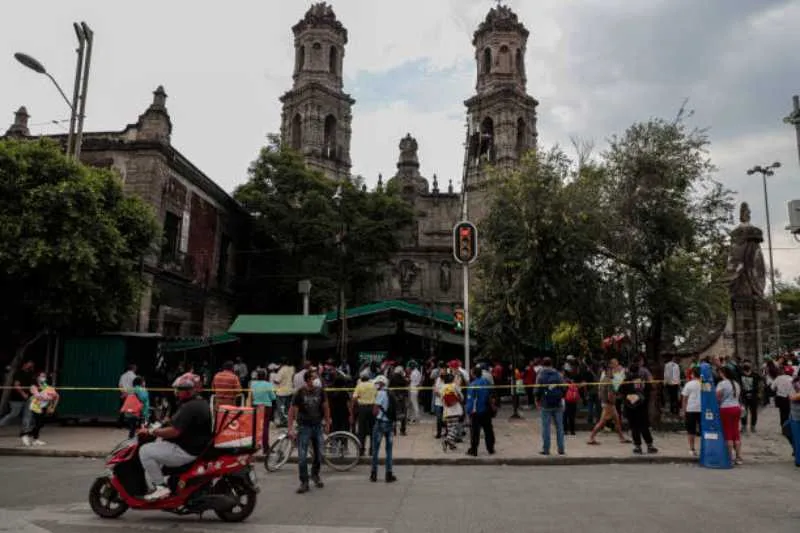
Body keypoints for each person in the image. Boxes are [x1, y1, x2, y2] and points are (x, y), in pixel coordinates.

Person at [138, 378, 212, 500]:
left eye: (179, 390)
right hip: (193, 446)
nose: (176, 392)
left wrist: (152, 431)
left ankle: (161, 487)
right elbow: (176, 422)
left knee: (145, 451)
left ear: (188, 391)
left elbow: (174, 432)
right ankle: (166, 482)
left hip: (185, 450)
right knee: (157, 448)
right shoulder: (198, 403)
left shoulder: (189, 407)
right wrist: (163, 424)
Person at [288, 369, 331, 494]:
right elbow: (292, 410)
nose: (316, 380)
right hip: (303, 427)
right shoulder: (299, 393)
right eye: (313, 377)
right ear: (307, 380)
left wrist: (327, 423)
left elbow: (326, 407)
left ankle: (315, 475)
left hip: (317, 426)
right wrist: (290, 428)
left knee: (319, 454)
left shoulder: (321, 391)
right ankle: (304, 482)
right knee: (302, 456)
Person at [620, 363, 658, 455]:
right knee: (644, 426)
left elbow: (621, 392)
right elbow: (650, 389)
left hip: (631, 407)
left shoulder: (626, 380)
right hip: (642, 407)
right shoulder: (642, 381)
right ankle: (649, 445)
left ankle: (638, 447)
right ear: (638, 371)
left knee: (634, 428)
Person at [535, 357, 565, 456]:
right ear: (552, 364)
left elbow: (537, 390)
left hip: (545, 404)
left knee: (546, 428)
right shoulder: (558, 374)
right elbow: (564, 388)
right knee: (559, 427)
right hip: (558, 403)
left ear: (543, 364)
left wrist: (537, 400)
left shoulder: (541, 375)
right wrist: (560, 396)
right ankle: (561, 449)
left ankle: (546, 449)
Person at [370, 376, 397, 483]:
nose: (376, 385)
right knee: (389, 450)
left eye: (377, 383)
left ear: (381, 384)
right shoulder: (391, 393)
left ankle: (374, 474)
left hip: (380, 424)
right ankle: (389, 474)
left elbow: (375, 411)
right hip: (390, 424)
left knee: (375, 450)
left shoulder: (381, 393)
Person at [21, 373, 59, 447]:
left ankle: (35, 440)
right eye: (41, 376)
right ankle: (25, 435)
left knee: (40, 424)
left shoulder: (46, 385)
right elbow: (38, 396)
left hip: (42, 406)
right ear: (37, 377)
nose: (43, 378)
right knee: (35, 422)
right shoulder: (33, 386)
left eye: (44, 376)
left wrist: (52, 406)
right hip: (34, 406)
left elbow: (56, 395)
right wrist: (49, 396)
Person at [466, 365, 495, 456]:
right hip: (486, 410)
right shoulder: (486, 382)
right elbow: (491, 394)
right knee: (488, 430)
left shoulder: (472, 385)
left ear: (474, 374)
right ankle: (490, 448)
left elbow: (470, 400)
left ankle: (474, 450)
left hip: (476, 412)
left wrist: (468, 411)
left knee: (475, 432)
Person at [716, 366, 743, 465]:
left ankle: (729, 457)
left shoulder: (722, 384)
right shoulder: (736, 383)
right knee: (736, 432)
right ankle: (739, 457)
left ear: (723, 373)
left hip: (726, 409)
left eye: (720, 372)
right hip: (736, 408)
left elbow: (717, 397)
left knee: (728, 433)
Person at [0, 360, 34, 428]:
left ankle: (25, 429)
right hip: (17, 398)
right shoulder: (18, 373)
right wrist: (23, 394)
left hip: (29, 397)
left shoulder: (31, 373)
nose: (30, 366)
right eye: (29, 364)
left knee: (28, 414)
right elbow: (16, 385)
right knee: (14, 413)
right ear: (24, 364)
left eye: (32, 365)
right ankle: (1, 423)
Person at [248, 369, 276, 450]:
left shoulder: (252, 384)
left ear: (257, 377)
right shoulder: (268, 385)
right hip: (266, 407)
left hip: (255, 406)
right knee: (265, 427)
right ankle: (266, 447)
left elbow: (251, 396)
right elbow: (273, 397)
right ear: (265, 376)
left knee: (255, 427)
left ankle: (254, 445)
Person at [351, 370, 377, 456]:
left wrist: (355, 405)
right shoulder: (373, 385)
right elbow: (377, 396)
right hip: (372, 407)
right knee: (373, 429)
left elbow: (354, 398)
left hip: (362, 408)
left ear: (361, 378)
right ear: (369, 378)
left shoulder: (359, 386)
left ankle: (361, 450)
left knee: (362, 430)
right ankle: (372, 450)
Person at [681, 366, 702, 456]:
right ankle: (703, 448)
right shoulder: (704, 384)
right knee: (703, 430)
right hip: (702, 410)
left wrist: (683, 410)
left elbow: (684, 399)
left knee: (691, 430)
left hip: (691, 409)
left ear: (693, 374)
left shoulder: (689, 384)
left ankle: (692, 449)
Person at [739, 361, 761, 434]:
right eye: (745, 364)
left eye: (748, 364)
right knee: (743, 411)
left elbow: (760, 383)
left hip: (753, 396)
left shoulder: (755, 375)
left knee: (754, 412)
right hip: (743, 396)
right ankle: (744, 426)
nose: (747, 366)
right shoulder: (740, 374)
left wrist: (758, 393)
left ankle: (753, 426)